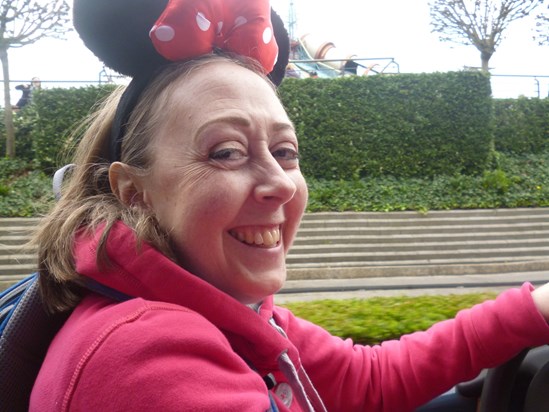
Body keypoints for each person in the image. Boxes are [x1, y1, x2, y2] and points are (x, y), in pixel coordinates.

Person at [29, 1, 549, 411]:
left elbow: (364, 380)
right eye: (226, 152)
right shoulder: (148, 357)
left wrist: (534, 309)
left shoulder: (223, 307)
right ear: (133, 191)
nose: (279, 183)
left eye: (285, 152)